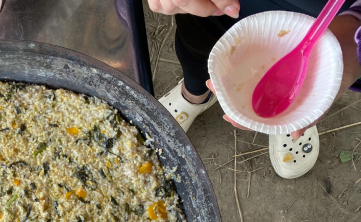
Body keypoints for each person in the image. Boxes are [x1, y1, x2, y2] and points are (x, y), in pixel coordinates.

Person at [150, 0, 361, 179]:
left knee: (308, 79)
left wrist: (354, 34)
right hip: (216, 7)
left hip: (320, 13)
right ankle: (193, 95)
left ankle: (289, 118)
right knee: (196, 44)